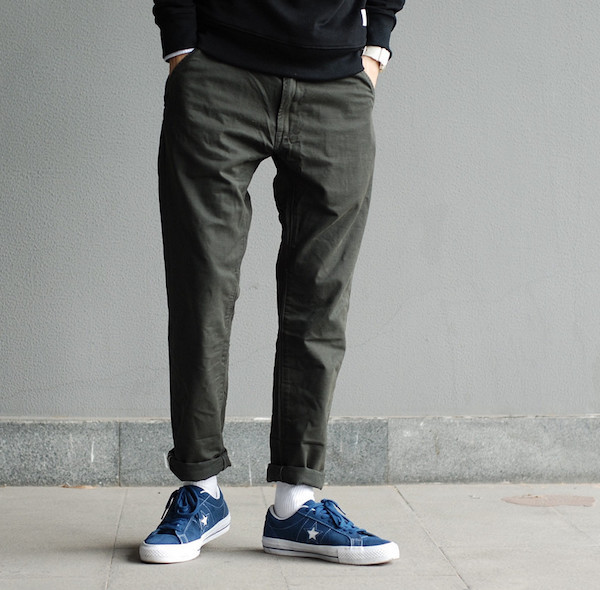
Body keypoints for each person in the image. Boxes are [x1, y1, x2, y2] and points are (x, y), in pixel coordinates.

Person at [140, 0, 405, 566]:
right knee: (201, 291)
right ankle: (199, 490)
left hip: (338, 83)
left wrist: (376, 45)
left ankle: (296, 504)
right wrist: (181, 46)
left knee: (320, 300)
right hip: (218, 74)